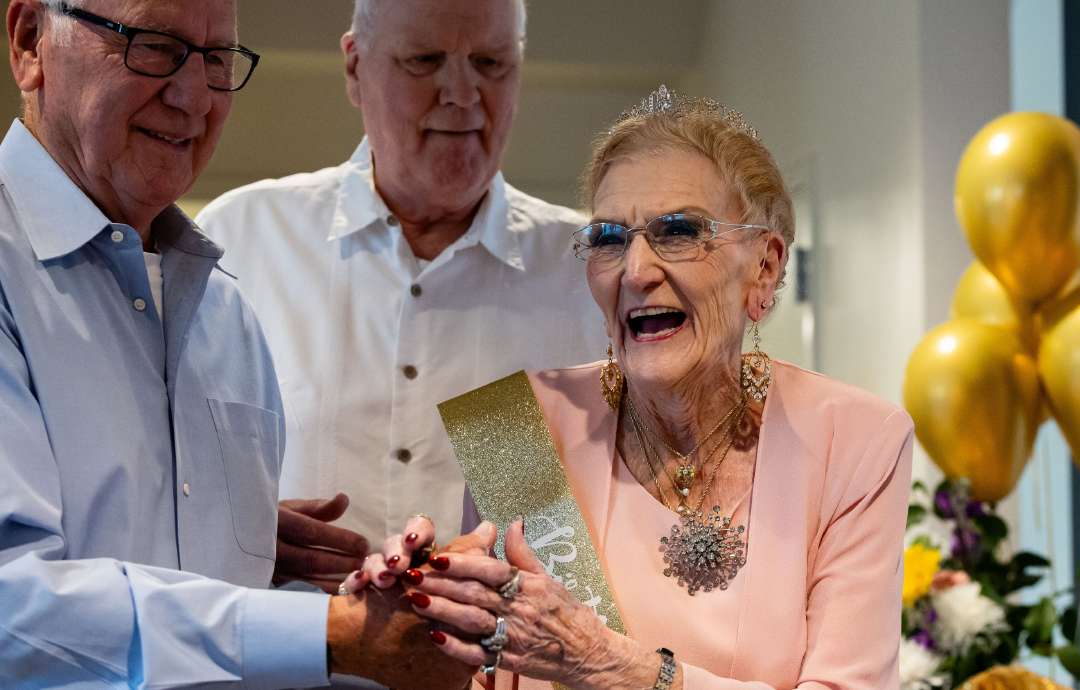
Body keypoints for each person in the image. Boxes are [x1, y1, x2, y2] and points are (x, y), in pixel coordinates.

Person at [354, 88, 916, 689]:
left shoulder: (856, 440)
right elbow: (494, 676)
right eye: (608, 239)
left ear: (766, 266)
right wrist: (420, 625)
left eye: (678, 232)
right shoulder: (514, 430)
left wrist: (607, 663)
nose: (637, 270)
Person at [0, 1, 481, 687]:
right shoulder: (259, 237)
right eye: (154, 46)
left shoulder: (566, 276)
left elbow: (557, 544)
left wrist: (417, 616)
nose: (462, 97)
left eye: (218, 59)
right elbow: (14, 608)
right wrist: (332, 634)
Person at [196, 0, 606, 590]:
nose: (463, 94)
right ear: (354, 68)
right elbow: (171, 479)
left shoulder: (585, 273)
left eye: (491, 62)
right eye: (425, 60)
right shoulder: (241, 240)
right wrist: (233, 534)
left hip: (497, 675)